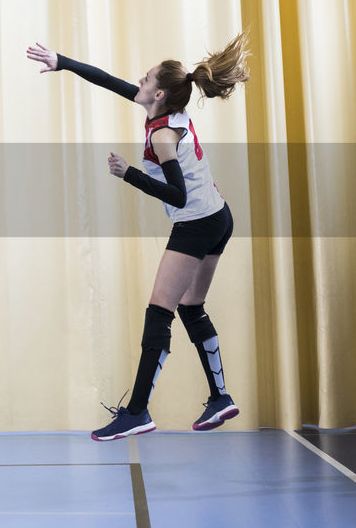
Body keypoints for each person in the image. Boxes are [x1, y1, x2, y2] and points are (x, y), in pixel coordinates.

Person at [26, 34, 251, 440]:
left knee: (159, 310)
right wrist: (63, 61)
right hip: (220, 217)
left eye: (145, 79)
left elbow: (178, 196)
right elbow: (109, 81)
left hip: (197, 223)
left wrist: (127, 173)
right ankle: (220, 397)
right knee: (191, 306)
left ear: (159, 93)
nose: (139, 81)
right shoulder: (166, 110)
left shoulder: (163, 136)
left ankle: (137, 412)